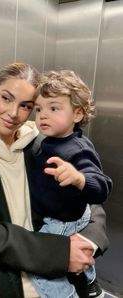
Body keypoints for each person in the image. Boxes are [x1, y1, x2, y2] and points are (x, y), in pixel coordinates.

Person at [0, 63, 109, 298]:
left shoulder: (43, 143)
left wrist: (88, 241)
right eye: (6, 98)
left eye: (26, 106)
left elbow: (87, 200)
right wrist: (61, 253)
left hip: (59, 277)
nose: (13, 113)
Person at [28, 70, 112, 298]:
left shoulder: (78, 149)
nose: (43, 115)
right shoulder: (52, 139)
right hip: (68, 212)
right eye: (39, 109)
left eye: (54, 108)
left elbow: (102, 187)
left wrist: (78, 178)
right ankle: (90, 282)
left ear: (77, 114)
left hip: (62, 221)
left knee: (39, 266)